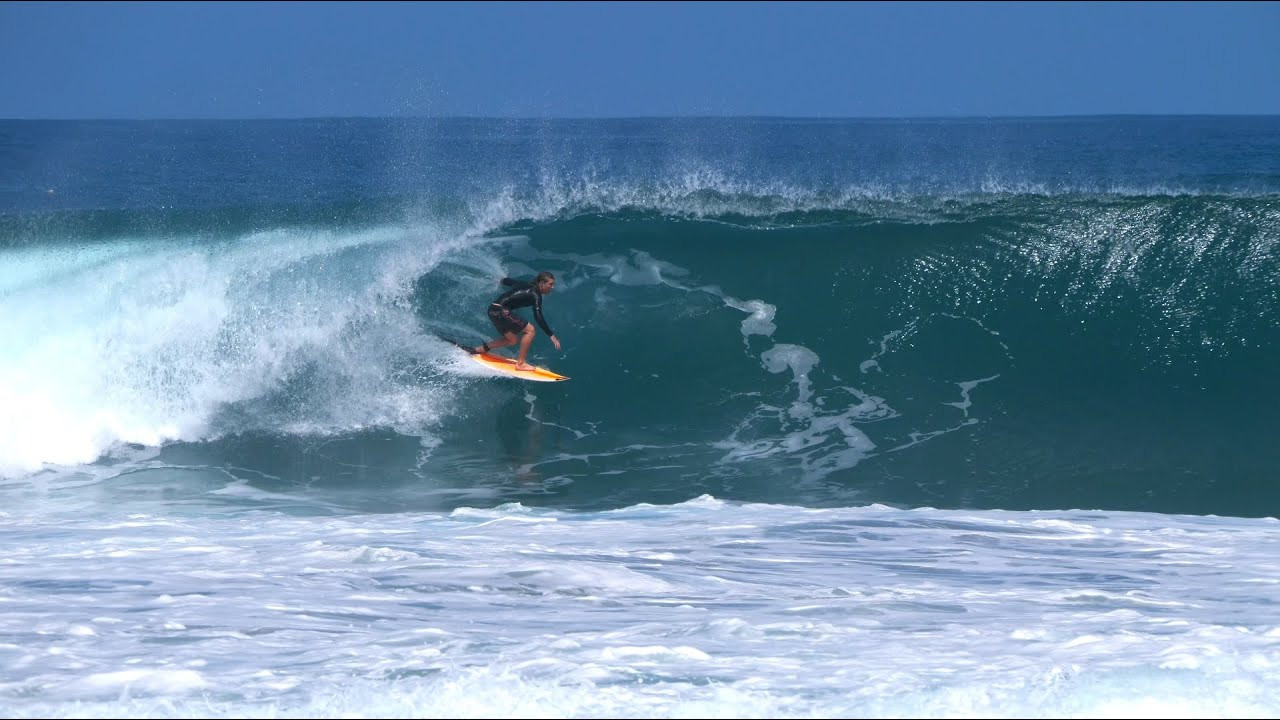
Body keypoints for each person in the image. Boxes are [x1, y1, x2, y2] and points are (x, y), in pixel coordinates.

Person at [474, 271, 562, 371]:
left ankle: (479, 349)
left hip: (493, 310)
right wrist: (551, 335)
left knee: (513, 340)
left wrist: (502, 281)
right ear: (542, 283)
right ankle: (520, 364)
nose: (552, 287)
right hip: (500, 311)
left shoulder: (526, 284)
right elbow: (538, 316)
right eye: (550, 284)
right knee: (530, 330)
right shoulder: (536, 294)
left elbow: (512, 282)